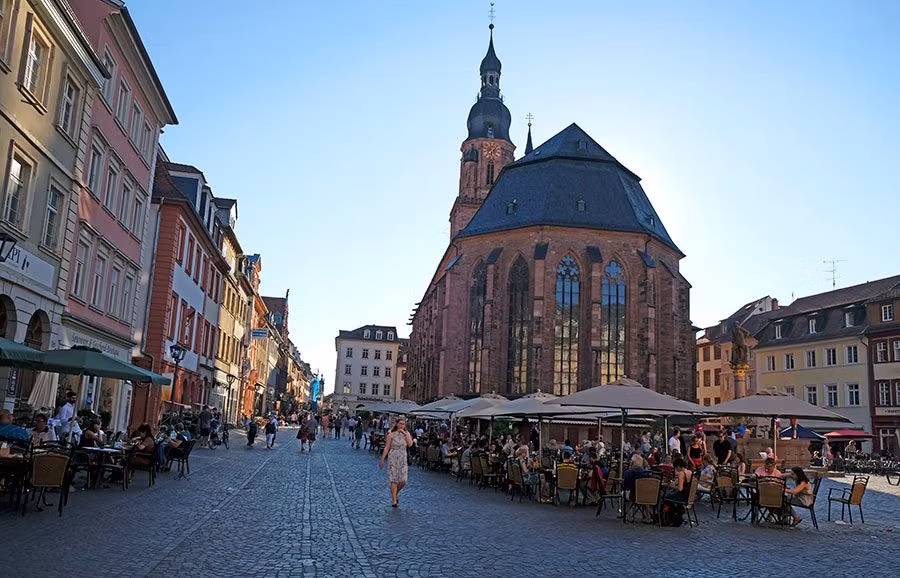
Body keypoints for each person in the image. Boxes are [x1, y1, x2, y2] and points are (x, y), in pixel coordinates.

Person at [379, 418, 413, 507]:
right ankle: (394, 500)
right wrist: (382, 458)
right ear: (397, 424)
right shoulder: (391, 435)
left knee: (403, 480)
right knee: (393, 479)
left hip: (403, 457)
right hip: (393, 456)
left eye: (403, 424)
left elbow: (410, 444)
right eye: (400, 423)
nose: (402, 425)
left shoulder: (407, 434)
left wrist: (404, 433)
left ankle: (395, 493)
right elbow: (387, 447)